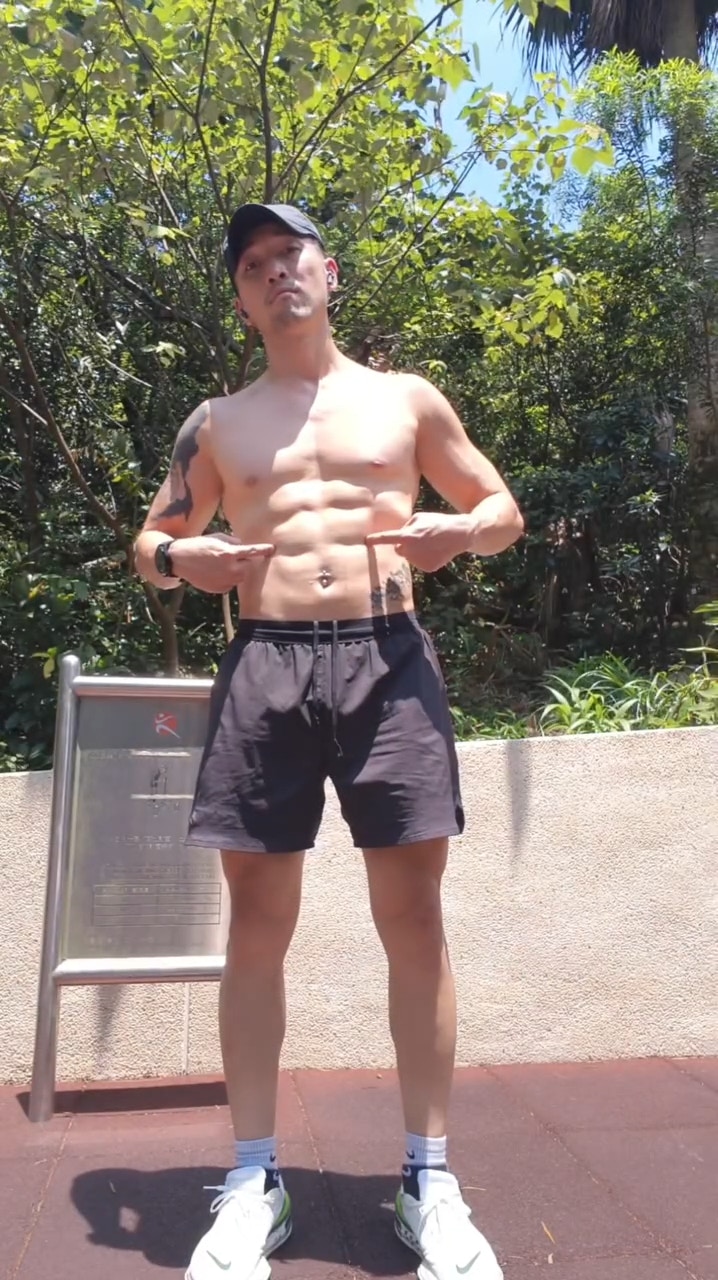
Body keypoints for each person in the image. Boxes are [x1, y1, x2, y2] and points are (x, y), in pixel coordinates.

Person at [134, 202, 524, 1280]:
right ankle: (252, 1178)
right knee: (257, 921)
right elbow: (151, 539)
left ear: (328, 270)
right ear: (241, 298)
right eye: (252, 266)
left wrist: (460, 533)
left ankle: (427, 1179)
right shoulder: (216, 423)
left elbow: (501, 509)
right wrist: (181, 560)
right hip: (265, 660)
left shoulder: (407, 400)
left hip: (387, 657)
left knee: (415, 915)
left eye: (289, 254)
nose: (274, 273)